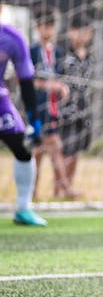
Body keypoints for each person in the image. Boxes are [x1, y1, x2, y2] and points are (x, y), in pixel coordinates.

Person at [1, 16, 49, 226]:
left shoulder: (12, 38)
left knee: (23, 149)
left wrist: (34, 120)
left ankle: (23, 208)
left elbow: (27, 79)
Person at [28, 4, 69, 200]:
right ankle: (36, 190)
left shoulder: (59, 53)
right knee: (39, 150)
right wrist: (48, 85)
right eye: (44, 26)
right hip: (36, 107)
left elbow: (61, 79)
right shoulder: (32, 51)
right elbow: (28, 80)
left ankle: (59, 189)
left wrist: (62, 88)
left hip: (52, 108)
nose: (48, 30)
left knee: (53, 148)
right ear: (37, 28)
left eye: (51, 26)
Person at [58, 12, 96, 200]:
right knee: (62, 150)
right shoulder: (62, 53)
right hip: (64, 110)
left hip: (83, 110)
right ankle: (59, 188)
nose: (84, 35)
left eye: (88, 31)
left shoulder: (90, 56)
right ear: (72, 32)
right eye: (80, 31)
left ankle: (68, 188)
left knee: (76, 151)